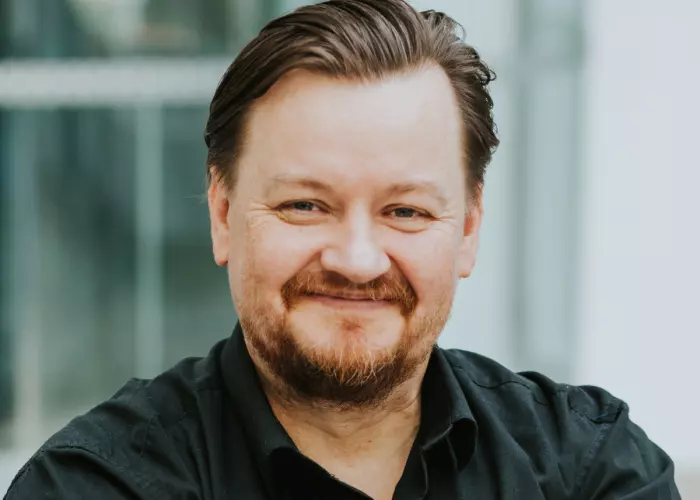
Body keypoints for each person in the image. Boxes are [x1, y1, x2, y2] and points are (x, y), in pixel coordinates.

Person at [5, 0, 681, 498]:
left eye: (405, 211)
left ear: (469, 229)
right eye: (305, 205)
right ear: (222, 213)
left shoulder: (591, 471)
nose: (357, 260)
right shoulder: (96, 486)